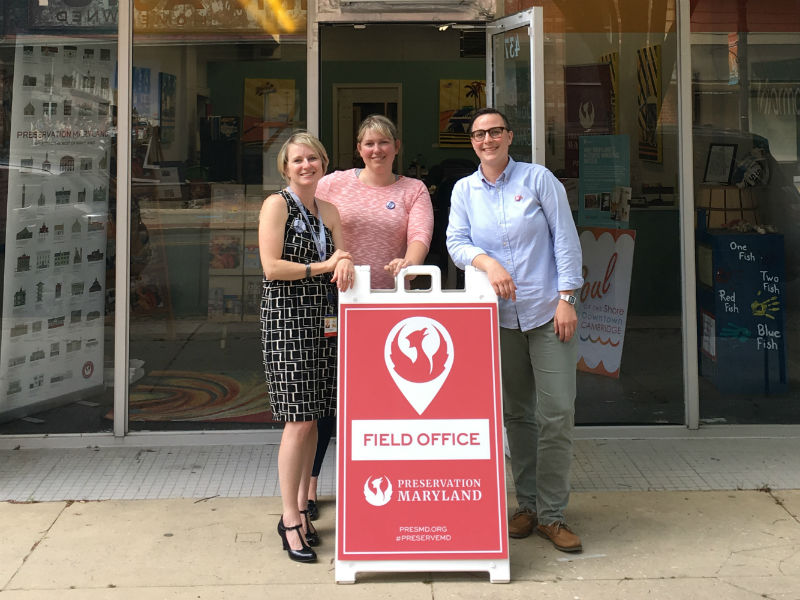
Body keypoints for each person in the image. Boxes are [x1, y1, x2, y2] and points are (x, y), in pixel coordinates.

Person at [445, 108, 584, 553]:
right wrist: (488, 262)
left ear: (509, 136)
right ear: (472, 143)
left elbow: (565, 238)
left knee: (558, 412)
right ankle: (526, 506)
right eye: (479, 134)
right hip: (499, 318)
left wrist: (568, 298)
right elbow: (455, 242)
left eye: (495, 132)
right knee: (517, 415)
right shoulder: (465, 190)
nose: (488, 140)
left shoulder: (538, 179)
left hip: (548, 311)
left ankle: (554, 514)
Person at [305, 114, 434, 519]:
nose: (375, 150)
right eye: (368, 143)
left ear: (396, 146)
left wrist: (407, 264)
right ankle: (309, 488)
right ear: (358, 148)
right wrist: (330, 261)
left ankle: (385, 481)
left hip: (389, 309)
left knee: (385, 401)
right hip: (335, 305)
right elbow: (307, 222)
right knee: (326, 399)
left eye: (383, 142)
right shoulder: (334, 183)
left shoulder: (413, 189)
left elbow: (420, 237)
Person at [259, 131, 355, 563]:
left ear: (324, 163)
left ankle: (302, 506)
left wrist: (346, 259)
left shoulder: (330, 210)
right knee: (297, 420)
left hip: (325, 322)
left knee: (316, 418)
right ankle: (288, 519)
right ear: (285, 167)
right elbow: (271, 267)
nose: (306, 166)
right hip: (287, 320)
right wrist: (326, 264)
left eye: (313, 158)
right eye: (297, 160)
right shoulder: (276, 205)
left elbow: (343, 255)